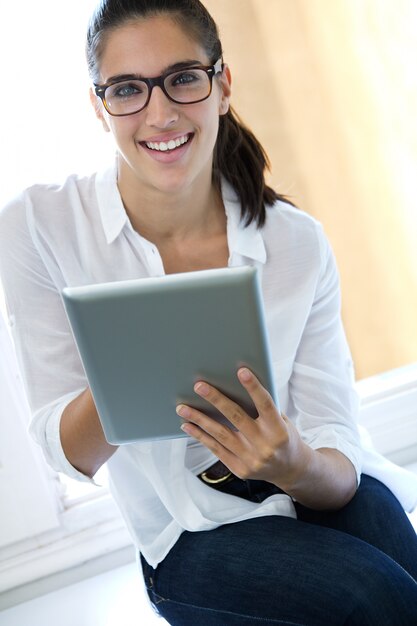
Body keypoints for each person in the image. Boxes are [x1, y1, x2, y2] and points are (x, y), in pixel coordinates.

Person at [1, 0, 417, 623]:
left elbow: (339, 453)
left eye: (183, 78)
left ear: (222, 85)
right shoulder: (39, 226)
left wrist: (293, 463)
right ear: (98, 105)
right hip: (188, 534)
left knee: (395, 553)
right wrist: (131, 351)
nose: (160, 111)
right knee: (372, 596)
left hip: (300, 485)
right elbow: (69, 455)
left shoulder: (293, 243)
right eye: (127, 89)